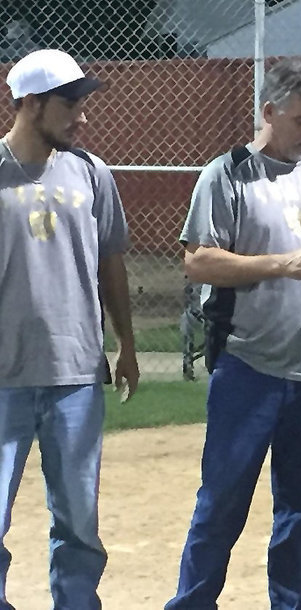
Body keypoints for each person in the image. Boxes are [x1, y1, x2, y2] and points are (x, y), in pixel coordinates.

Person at [164, 58, 301, 610]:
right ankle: (193, 602)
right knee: (223, 500)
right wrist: (280, 264)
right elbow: (199, 261)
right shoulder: (227, 174)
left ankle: (291, 602)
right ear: (269, 111)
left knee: (299, 504)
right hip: (247, 366)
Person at [0, 49, 139, 609]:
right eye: (71, 105)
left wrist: (126, 344)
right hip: (3, 378)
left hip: (78, 375)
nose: (83, 117)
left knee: (79, 519)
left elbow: (111, 263)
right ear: (32, 104)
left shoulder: (90, 173)